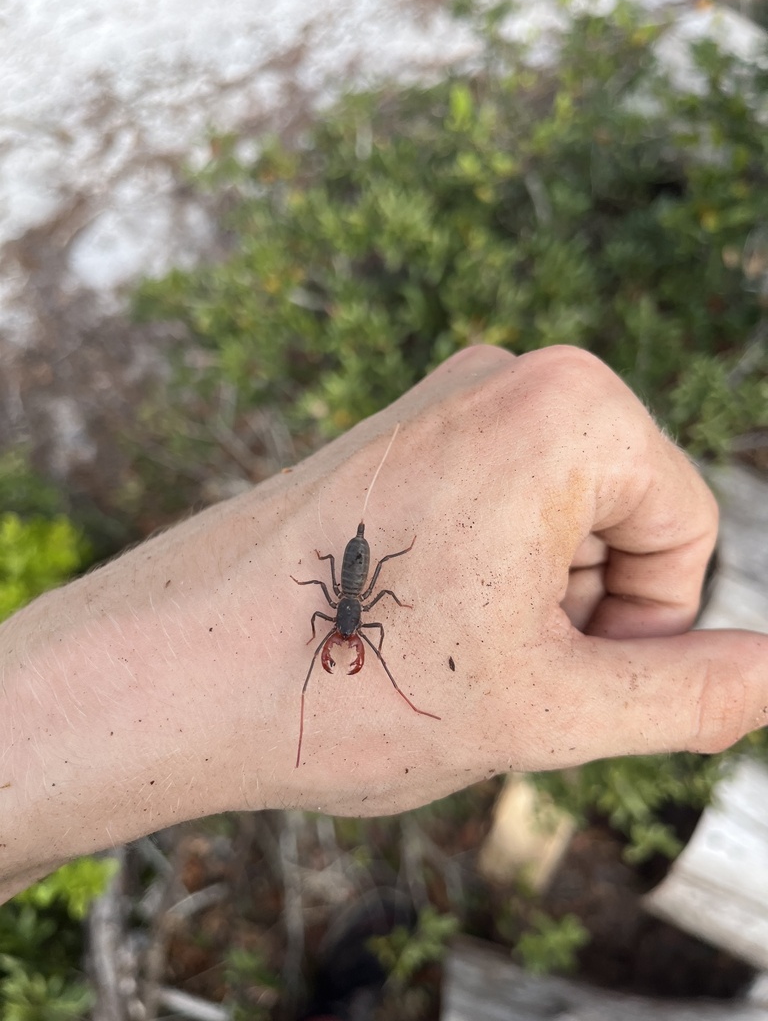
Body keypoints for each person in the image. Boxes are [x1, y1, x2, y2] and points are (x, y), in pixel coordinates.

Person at [1, 344, 766, 905]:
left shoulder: (355, 605)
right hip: (349, 579)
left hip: (363, 571)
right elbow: (333, 612)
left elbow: (364, 613)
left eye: (344, 641)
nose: (340, 644)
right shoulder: (336, 610)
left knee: (369, 602)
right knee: (341, 615)